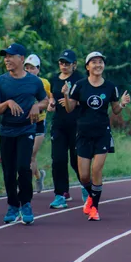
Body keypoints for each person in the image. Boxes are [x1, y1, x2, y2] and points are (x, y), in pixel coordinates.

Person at [62, 52, 130, 220]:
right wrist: (65, 94)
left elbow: (115, 110)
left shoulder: (110, 87)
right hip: (83, 133)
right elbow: (69, 109)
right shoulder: (79, 85)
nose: (98, 65)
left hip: (102, 133)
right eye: (94, 62)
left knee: (96, 169)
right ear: (87, 67)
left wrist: (122, 103)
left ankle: (94, 208)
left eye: (100, 62)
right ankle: (92, 196)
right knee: (84, 175)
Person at [0, 43, 49, 225]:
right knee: (8, 171)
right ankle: (13, 205)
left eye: (10, 56)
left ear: (21, 59)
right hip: (7, 131)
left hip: (26, 130)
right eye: (5, 56)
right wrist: (7, 103)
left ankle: (26, 204)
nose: (7, 59)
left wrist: (36, 106)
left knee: (24, 167)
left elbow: (45, 101)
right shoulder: (0, 81)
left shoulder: (34, 81)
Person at [48, 50, 84, 209]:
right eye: (61, 63)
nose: (64, 66)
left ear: (74, 65)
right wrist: (51, 103)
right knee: (58, 160)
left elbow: (85, 98)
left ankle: (86, 186)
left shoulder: (80, 79)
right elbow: (51, 96)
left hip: (76, 124)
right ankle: (60, 194)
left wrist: (72, 101)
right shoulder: (55, 79)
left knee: (77, 159)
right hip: (59, 124)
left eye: (67, 63)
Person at [24, 54, 52, 195]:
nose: (29, 70)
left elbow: (49, 98)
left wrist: (48, 105)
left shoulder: (44, 83)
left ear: (38, 69)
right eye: (27, 68)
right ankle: (39, 176)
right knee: (28, 156)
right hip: (25, 123)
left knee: (31, 155)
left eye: (32, 68)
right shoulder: (20, 82)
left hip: (39, 122)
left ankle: (26, 186)